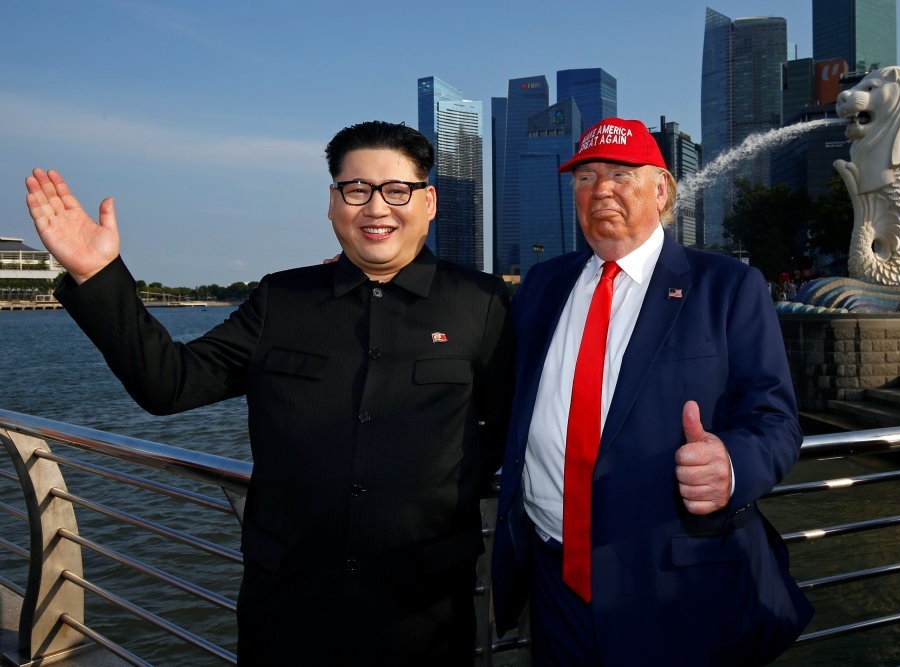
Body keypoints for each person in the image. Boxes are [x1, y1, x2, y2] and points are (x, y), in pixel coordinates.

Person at [24, 120, 515, 666]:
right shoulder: (282, 298)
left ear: (429, 202)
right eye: (357, 190)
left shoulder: (482, 303)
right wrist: (98, 273)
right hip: (288, 598)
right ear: (333, 203)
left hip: (425, 604)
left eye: (397, 190)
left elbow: (503, 429)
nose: (377, 208)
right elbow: (170, 384)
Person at [490, 117, 813, 666]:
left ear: (661, 189)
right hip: (552, 578)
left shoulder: (727, 287)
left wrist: (730, 465)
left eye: (621, 174)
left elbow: (776, 421)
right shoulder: (543, 286)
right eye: (586, 177)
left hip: (670, 585)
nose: (602, 190)